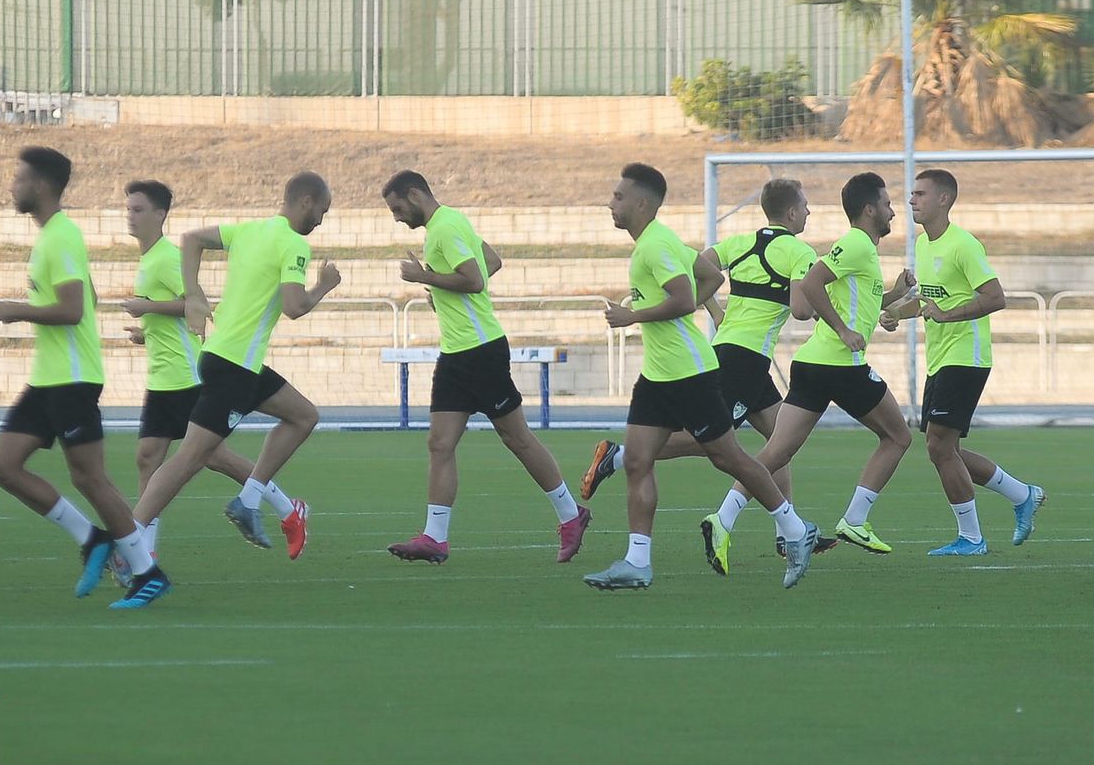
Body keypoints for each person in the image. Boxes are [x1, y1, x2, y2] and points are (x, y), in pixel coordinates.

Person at [584, 164, 818, 591]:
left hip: (692, 372)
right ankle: (637, 561)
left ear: (642, 203)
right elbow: (708, 277)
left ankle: (795, 530)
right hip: (661, 372)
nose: (610, 203)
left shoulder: (656, 247)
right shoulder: (660, 241)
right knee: (639, 460)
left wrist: (632, 315)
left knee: (729, 456)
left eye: (618, 197)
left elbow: (684, 296)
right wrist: (713, 308)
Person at [0, 147, 169, 609]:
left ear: (41, 186)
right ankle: (91, 539)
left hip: (72, 379)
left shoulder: (61, 236)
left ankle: (147, 571)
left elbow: (71, 309)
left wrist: (16, 311)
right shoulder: (52, 237)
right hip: (49, 379)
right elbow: (86, 293)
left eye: (19, 178)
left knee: (90, 478)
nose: (13, 186)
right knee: (4, 468)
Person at [381, 171, 592, 564]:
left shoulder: (444, 227)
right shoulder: (447, 225)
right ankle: (435, 538)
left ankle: (571, 514)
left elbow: (476, 279)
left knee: (518, 439)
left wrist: (424, 277)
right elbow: (492, 260)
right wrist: (445, 296)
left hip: (480, 351)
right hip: (457, 353)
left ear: (415, 194)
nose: (396, 217)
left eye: (397, 208)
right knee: (439, 443)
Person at [129, 171, 340, 563]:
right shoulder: (294, 244)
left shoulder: (248, 231)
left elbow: (191, 240)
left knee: (303, 415)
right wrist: (324, 286)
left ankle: (249, 498)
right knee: (190, 460)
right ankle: (129, 542)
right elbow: (294, 307)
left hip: (228, 358)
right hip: (236, 368)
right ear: (306, 202)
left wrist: (193, 295)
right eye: (322, 211)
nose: (320, 221)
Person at [705, 172, 914, 562]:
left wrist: (895, 296)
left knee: (776, 452)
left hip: (812, 365)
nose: (893, 213)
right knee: (899, 436)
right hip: (840, 365)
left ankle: (722, 519)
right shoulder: (855, 244)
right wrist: (844, 330)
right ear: (869, 210)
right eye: (888, 205)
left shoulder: (861, 250)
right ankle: (855, 519)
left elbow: (851, 301)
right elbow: (813, 288)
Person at [881, 169, 1045, 555]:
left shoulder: (964, 245)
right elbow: (929, 302)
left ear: (944, 200)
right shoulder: (923, 246)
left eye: (920, 193)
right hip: (940, 359)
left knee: (939, 447)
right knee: (944, 448)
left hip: (966, 359)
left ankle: (972, 538)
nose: (911, 200)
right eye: (911, 194)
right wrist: (896, 314)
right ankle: (1022, 494)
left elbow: (995, 298)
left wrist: (946, 316)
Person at [119, 180, 256, 561]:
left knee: (214, 457)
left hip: (186, 376)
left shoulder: (165, 257)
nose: (129, 216)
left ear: (160, 215)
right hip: (162, 377)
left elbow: (196, 305)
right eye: (128, 209)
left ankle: (286, 505)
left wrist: (146, 308)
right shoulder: (148, 259)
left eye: (138, 210)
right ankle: (146, 554)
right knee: (148, 457)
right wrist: (145, 334)